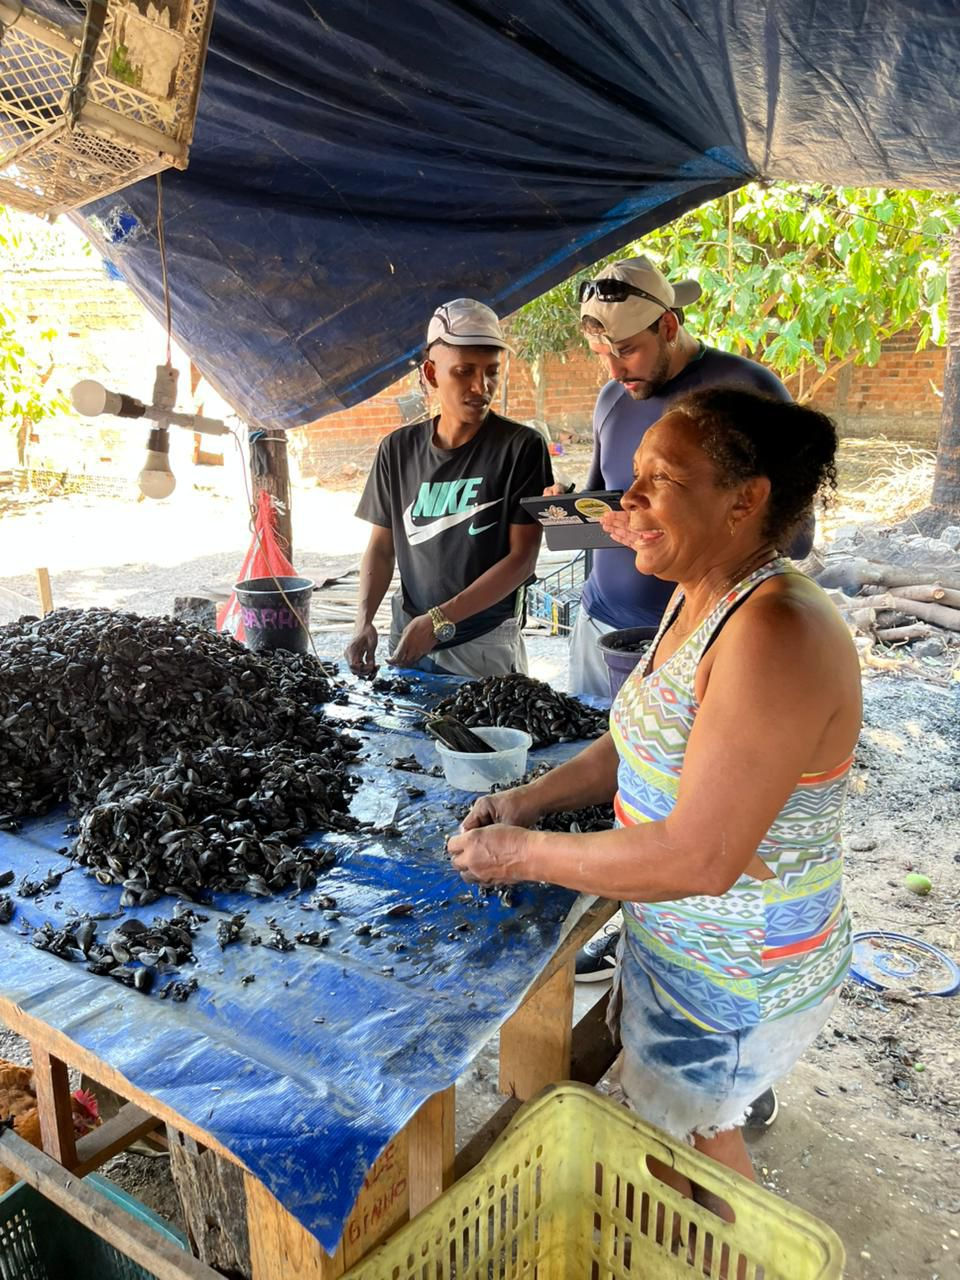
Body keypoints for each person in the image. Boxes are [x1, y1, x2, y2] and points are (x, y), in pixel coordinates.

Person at [449, 386, 860, 1193]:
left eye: (660, 479)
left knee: (696, 1163)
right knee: (676, 1131)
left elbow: (701, 856)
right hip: (677, 941)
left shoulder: (776, 631)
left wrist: (523, 854)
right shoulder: (699, 589)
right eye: (634, 473)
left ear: (745, 501)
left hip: (737, 968)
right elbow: (633, 741)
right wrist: (530, 799)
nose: (627, 498)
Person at [565, 256, 812, 702]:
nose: (615, 372)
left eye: (626, 350)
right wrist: (566, 510)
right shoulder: (611, 398)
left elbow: (796, 537)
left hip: (701, 638)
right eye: (603, 355)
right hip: (599, 624)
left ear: (668, 326)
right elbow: (603, 504)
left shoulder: (746, 391)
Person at [346, 299, 552, 678]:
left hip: (482, 642)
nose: (481, 386)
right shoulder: (397, 449)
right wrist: (363, 621)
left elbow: (522, 561)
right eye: (464, 371)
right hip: (407, 631)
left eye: (492, 371)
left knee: (483, 736)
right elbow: (381, 546)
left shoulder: (521, 448)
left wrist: (439, 620)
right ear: (431, 372)